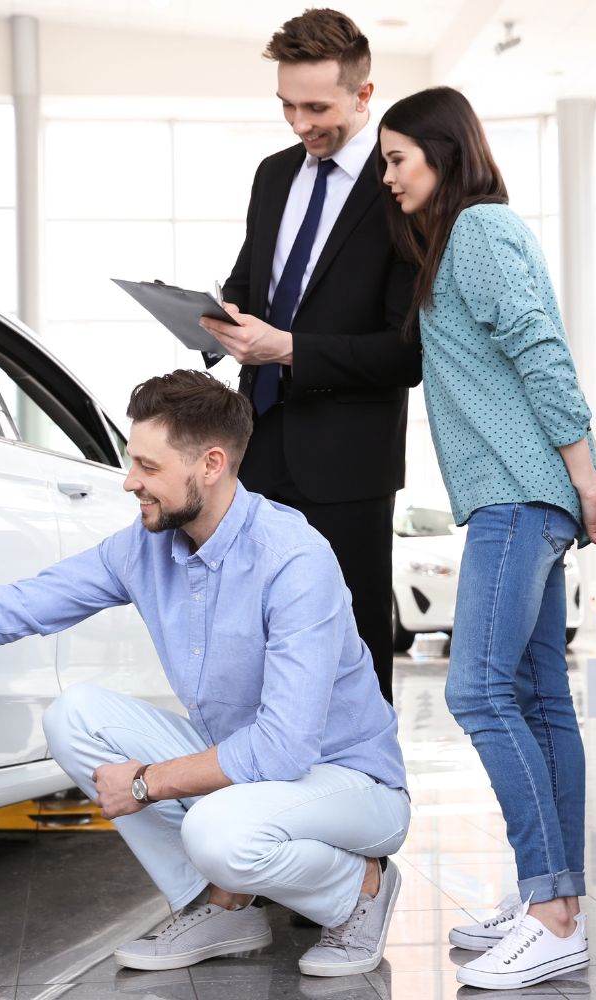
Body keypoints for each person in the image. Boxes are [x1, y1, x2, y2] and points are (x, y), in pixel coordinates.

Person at [0, 370, 411, 979]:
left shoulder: (293, 558)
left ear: (210, 465)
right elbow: (9, 608)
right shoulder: (144, 547)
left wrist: (149, 781)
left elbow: (285, 746)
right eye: (133, 462)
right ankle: (223, 909)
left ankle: (363, 888)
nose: (130, 482)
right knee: (75, 718)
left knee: (216, 830)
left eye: (148, 466)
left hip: (350, 783)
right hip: (254, 775)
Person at [376, 87, 596, 991]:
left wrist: (586, 471)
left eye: (399, 157)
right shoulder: (465, 238)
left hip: (520, 496)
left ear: (444, 152)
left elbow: (540, 349)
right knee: (535, 696)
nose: (389, 175)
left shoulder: (479, 232)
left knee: (480, 690)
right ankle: (551, 906)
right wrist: (582, 476)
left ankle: (552, 908)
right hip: (523, 494)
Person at [198, 8, 420, 704]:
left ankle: (367, 798)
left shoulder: (400, 190)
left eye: (316, 107)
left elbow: (405, 352)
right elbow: (248, 287)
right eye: (287, 105)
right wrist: (216, 320)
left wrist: (292, 349)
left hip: (348, 463)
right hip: (258, 447)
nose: (299, 123)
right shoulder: (272, 177)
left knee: (350, 645)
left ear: (363, 94)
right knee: (257, 640)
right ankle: (268, 798)